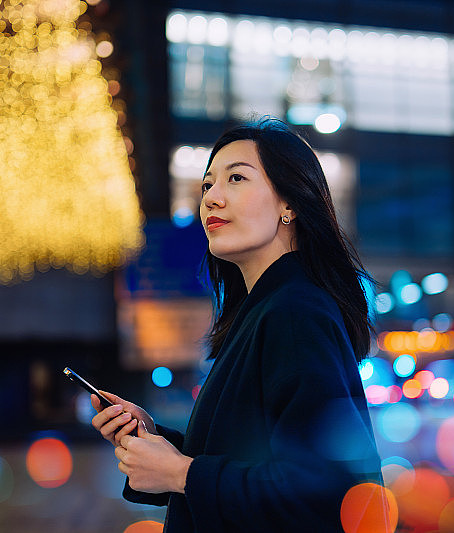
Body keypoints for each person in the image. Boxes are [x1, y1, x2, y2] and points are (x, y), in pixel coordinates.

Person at [90, 117, 384, 532]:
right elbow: (256, 458)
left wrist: (181, 474)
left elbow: (329, 489)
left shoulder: (295, 313)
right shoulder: (264, 310)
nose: (211, 198)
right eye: (208, 185)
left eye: (236, 178)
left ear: (290, 204)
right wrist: (156, 442)